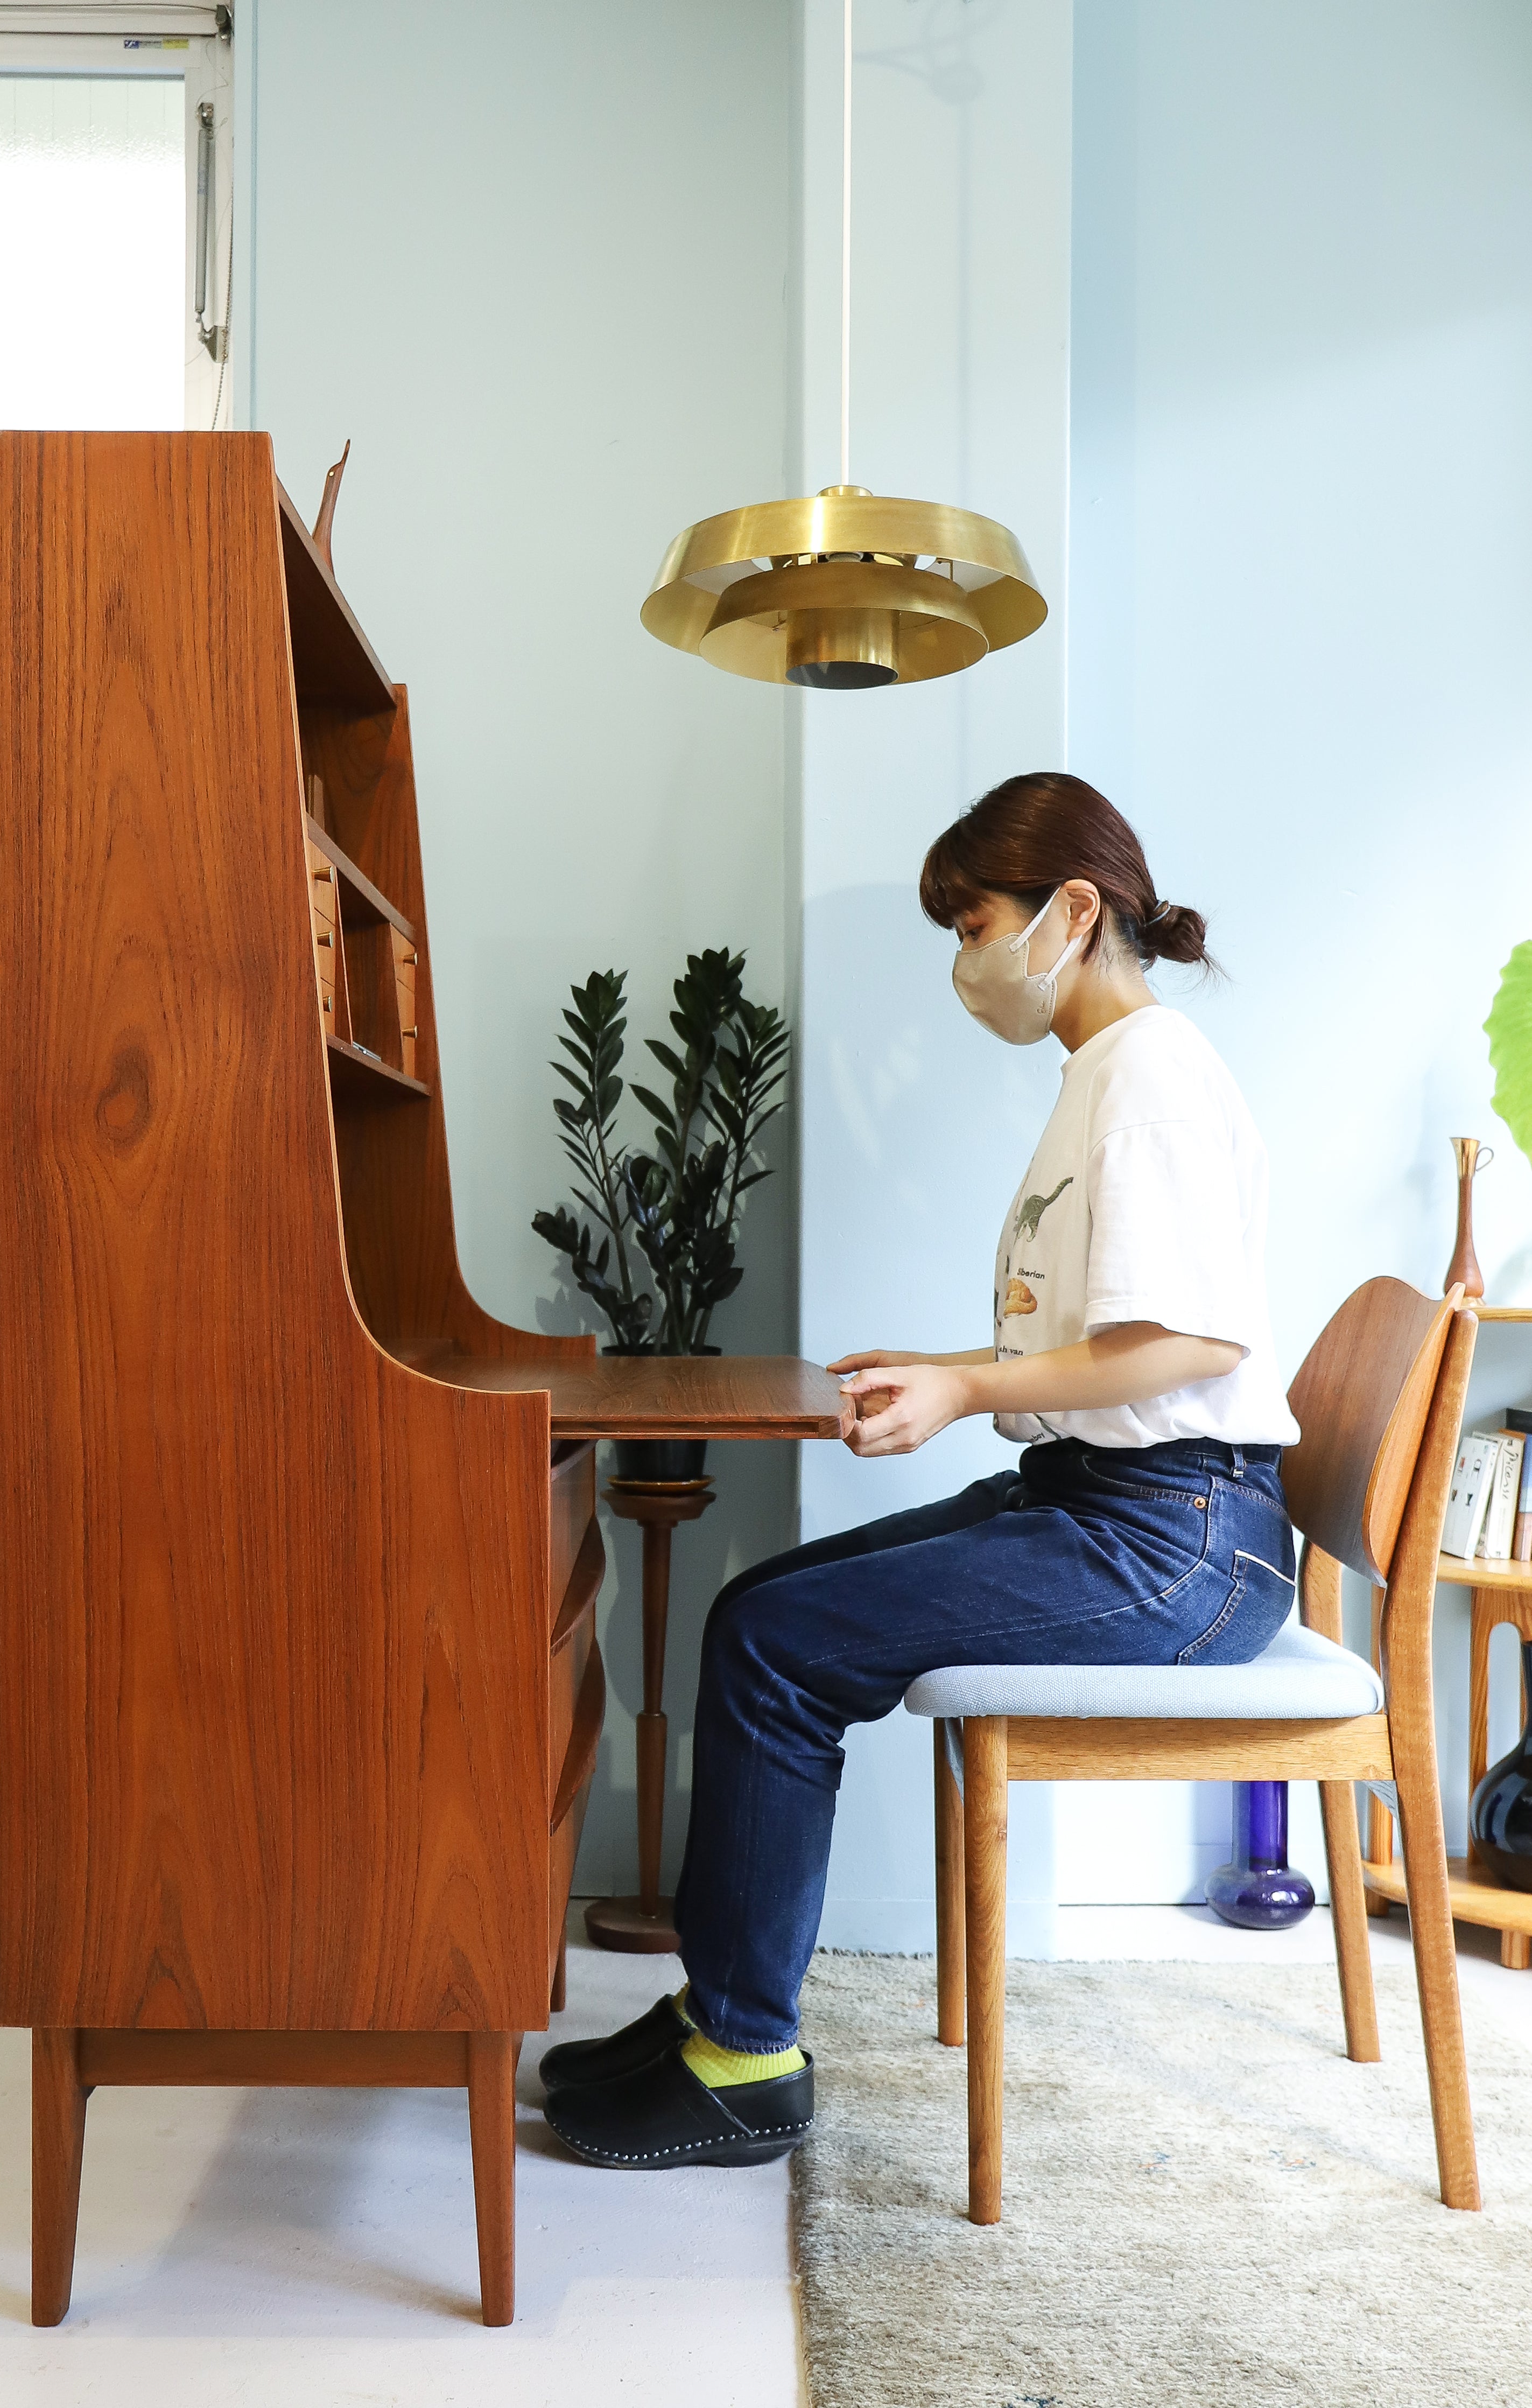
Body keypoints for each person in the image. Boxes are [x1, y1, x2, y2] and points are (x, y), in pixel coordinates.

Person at [542, 771, 1301, 2172]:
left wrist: (968, 1389)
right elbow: (1105, 1342)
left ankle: (742, 2061)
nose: (965, 964)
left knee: (771, 1645)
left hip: (1176, 1541)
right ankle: (722, 2011)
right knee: (757, 1613)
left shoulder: (1155, 1081)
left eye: (974, 926)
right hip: (1119, 1505)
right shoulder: (1107, 1078)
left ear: (1073, 912)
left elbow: (1188, 1342)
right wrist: (951, 1372)